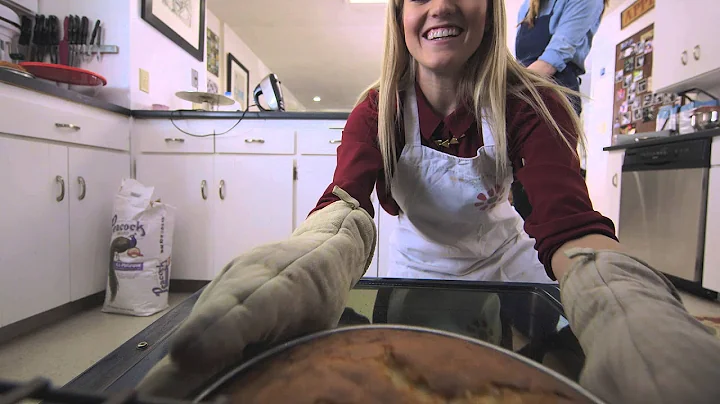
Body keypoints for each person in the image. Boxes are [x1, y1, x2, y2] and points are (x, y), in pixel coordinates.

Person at [137, 1, 720, 402]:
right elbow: (343, 210)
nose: (439, 6)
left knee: (541, 364)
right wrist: (299, 270)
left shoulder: (530, 105)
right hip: (417, 268)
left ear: (489, 9)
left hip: (507, 265)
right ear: (401, 16)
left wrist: (625, 304)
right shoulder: (377, 110)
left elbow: (569, 227)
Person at [511, 0, 605, 218]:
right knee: (518, 185)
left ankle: (557, 246)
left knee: (550, 188)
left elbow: (552, 59)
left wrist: (507, 87)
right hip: (524, 94)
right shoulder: (528, 6)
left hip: (556, 95)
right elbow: (519, 61)